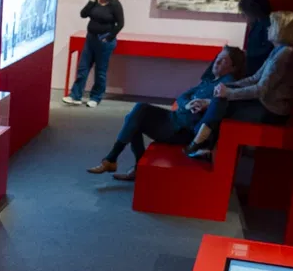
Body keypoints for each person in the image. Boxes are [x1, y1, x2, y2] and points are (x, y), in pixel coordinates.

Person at [86, 45, 246, 181]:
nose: (217, 62)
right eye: (218, 57)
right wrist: (187, 104)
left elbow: (221, 104)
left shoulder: (226, 84)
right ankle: (119, 162)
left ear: (233, 68)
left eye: (224, 60)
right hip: (174, 118)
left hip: (182, 130)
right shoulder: (210, 80)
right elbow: (183, 96)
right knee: (136, 115)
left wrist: (206, 104)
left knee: (137, 116)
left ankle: (114, 160)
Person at [184, 9, 293, 161]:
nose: (268, 28)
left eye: (271, 25)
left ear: (280, 28)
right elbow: (254, 78)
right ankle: (202, 142)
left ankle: (200, 140)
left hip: (272, 111)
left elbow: (260, 90)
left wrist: (228, 92)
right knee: (222, 97)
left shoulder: (286, 54)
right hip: (264, 103)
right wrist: (229, 86)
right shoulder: (278, 50)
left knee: (223, 101)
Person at [62, 0, 124, 107]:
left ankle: (95, 97)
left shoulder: (115, 4)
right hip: (91, 38)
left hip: (104, 41)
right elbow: (83, 14)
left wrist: (109, 37)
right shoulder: (95, 1)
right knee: (83, 68)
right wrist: (91, 0)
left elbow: (120, 23)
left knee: (100, 71)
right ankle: (75, 96)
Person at [238, 0, 274, 74]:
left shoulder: (267, 25)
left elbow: (267, 49)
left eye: (245, 14)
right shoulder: (257, 24)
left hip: (258, 69)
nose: (244, 17)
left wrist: (247, 54)